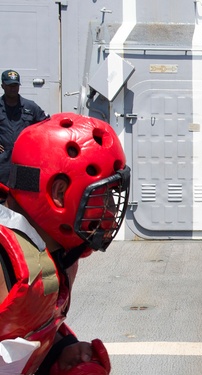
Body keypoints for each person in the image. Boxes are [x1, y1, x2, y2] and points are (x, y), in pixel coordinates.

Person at [0, 113, 130, 374]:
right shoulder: (4, 262)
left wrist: (60, 350)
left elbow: (27, 329)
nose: (111, 208)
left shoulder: (59, 253)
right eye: (102, 196)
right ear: (59, 193)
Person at [0, 69, 49, 185]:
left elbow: (47, 127)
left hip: (26, 161)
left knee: (26, 197)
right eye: (10, 85)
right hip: (3, 163)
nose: (13, 88)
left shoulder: (30, 107)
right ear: (3, 86)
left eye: (15, 85)